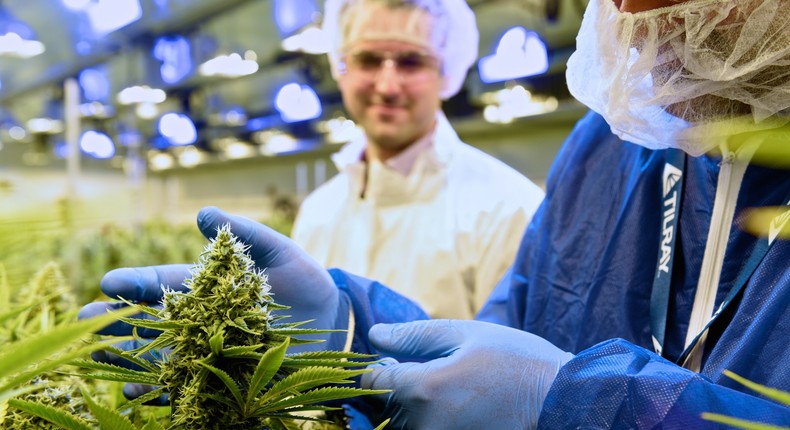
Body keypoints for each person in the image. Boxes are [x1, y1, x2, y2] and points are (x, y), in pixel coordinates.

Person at [80, 0, 790, 427]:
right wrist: (346, 337)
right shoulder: (611, 148)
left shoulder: (501, 194)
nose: (636, 18)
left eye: (411, 61)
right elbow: (492, 358)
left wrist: (577, 411)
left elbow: (527, 389)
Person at [290, 0, 545, 319]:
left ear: (446, 71)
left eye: (411, 62)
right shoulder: (317, 214)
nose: (387, 86)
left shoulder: (509, 212)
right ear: (341, 67)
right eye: (367, 60)